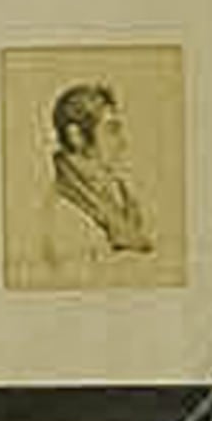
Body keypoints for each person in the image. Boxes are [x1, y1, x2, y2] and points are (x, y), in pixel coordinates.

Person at [32, 78, 157, 279]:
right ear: (77, 137)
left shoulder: (121, 194)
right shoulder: (64, 212)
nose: (122, 142)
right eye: (111, 130)